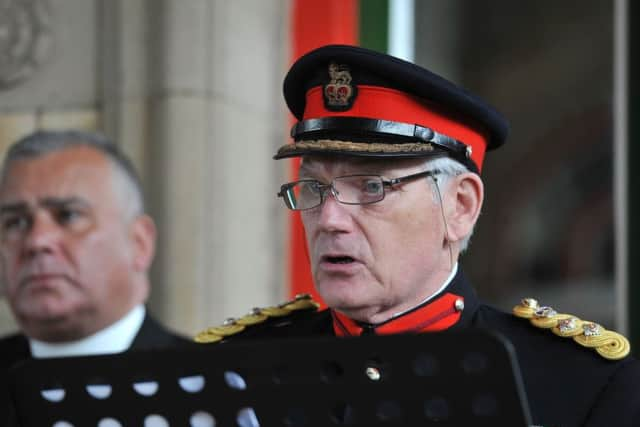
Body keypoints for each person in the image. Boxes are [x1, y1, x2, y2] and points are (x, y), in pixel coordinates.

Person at [195, 45, 640, 426]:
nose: (329, 218)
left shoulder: (577, 382)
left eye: (372, 187)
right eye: (314, 187)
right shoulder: (234, 370)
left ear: (460, 207)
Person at [0, 130, 193, 424]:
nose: (37, 241)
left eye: (68, 215)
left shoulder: (215, 382)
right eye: (16, 221)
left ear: (139, 242)